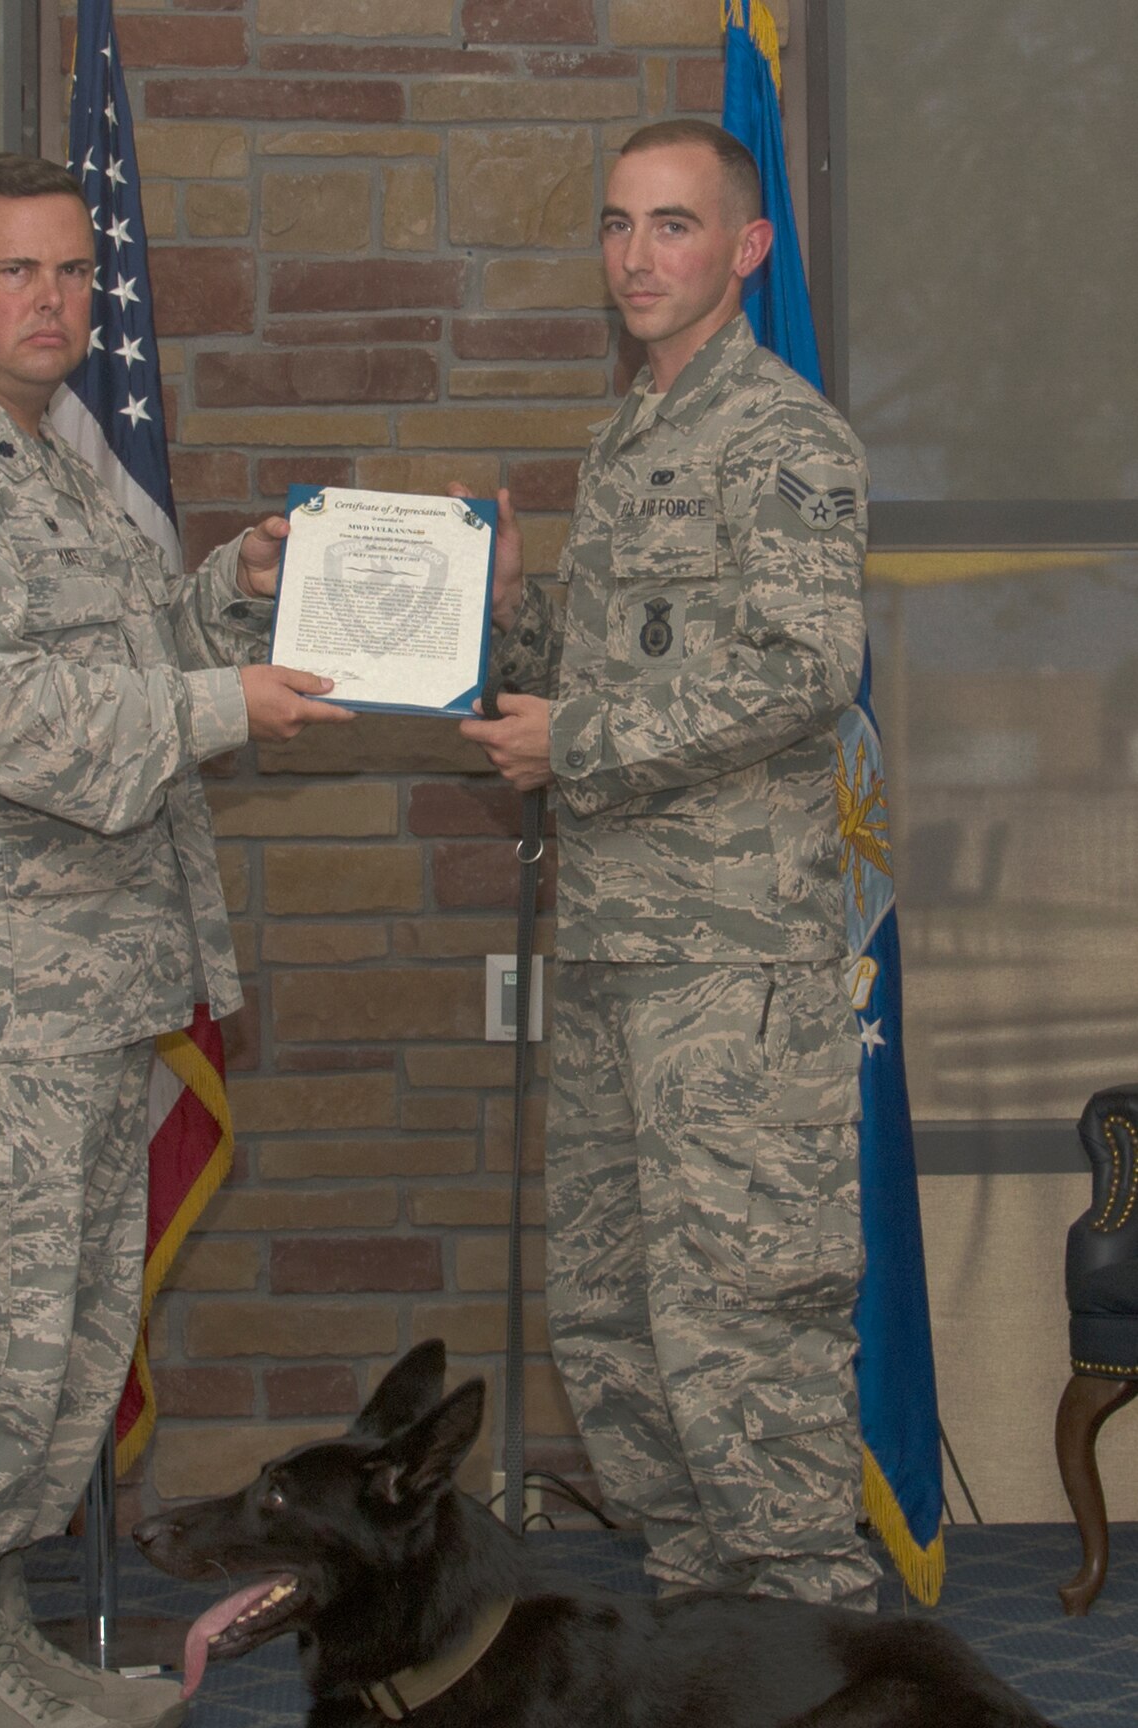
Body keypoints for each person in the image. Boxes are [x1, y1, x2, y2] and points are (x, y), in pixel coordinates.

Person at [0, 153, 352, 1728]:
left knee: (55, 1335)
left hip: (89, 991)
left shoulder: (56, 469)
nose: (50, 303)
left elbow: (112, 666)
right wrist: (223, 708)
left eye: (71, 275)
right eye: (14, 273)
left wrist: (223, 603)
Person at [459, 120, 881, 1610]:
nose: (638, 257)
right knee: (615, 1319)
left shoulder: (778, 438)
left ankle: (814, 1669)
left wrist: (570, 740)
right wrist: (508, 617)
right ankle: (713, 1651)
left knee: (741, 1327)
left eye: (675, 227)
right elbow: (604, 667)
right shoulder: (633, 430)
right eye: (618, 226)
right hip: (615, 950)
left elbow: (798, 668)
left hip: (730, 967)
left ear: (745, 248)